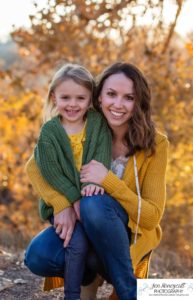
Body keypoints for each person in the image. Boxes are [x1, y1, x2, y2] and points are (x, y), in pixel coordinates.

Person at [25, 62, 169, 300]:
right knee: (39, 255)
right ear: (99, 96)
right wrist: (61, 203)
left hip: (126, 234)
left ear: (138, 102)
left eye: (129, 97)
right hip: (84, 228)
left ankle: (129, 290)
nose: (118, 104)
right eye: (111, 94)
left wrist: (108, 180)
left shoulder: (156, 144)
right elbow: (34, 166)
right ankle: (88, 276)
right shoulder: (81, 126)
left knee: (94, 203)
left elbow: (152, 216)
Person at [25, 63, 112, 300]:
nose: (73, 104)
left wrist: (89, 188)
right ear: (54, 97)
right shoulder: (49, 132)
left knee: (94, 249)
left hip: (91, 198)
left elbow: (102, 154)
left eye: (80, 98)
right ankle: (71, 296)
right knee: (76, 242)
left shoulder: (97, 124)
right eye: (65, 97)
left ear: (90, 99)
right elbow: (49, 171)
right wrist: (72, 200)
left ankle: (126, 287)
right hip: (61, 202)